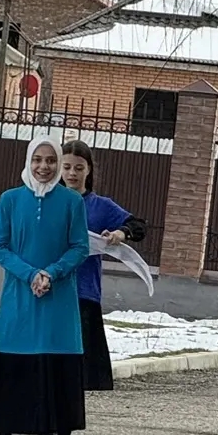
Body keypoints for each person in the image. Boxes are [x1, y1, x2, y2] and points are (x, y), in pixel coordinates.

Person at [0, 136, 90, 435]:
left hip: (58, 298)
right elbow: (0, 246)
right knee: (11, 365)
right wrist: (30, 274)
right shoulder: (10, 199)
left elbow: (80, 246)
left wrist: (51, 272)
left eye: (50, 160)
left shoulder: (72, 202)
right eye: (37, 159)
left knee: (59, 367)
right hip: (19, 296)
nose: (43, 167)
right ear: (27, 161)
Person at [58, 139, 146, 393]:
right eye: (67, 167)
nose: (72, 173)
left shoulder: (101, 206)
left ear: (89, 169)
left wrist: (121, 233)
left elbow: (139, 226)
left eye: (78, 168)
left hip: (84, 291)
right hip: (51, 289)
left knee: (81, 366)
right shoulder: (49, 201)